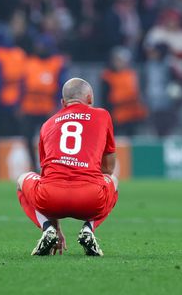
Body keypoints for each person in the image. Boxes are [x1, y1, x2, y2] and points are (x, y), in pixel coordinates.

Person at [17, 78, 118, 256]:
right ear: (90, 98)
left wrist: (56, 227)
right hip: (91, 199)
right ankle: (88, 229)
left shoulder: (47, 125)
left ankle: (47, 229)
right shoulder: (103, 115)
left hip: (51, 198)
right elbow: (108, 168)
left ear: (63, 103)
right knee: (113, 180)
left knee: (21, 180)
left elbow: (46, 175)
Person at [20, 35, 67, 170]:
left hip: (48, 109)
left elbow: (61, 85)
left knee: (50, 140)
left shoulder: (57, 63)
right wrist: (20, 104)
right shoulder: (29, 62)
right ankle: (33, 166)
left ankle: (49, 165)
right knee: (28, 139)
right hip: (29, 107)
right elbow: (21, 86)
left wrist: (58, 105)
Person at [101, 46, 147, 136]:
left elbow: (138, 92)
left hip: (132, 114)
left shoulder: (132, 74)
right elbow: (105, 98)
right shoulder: (107, 76)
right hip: (116, 114)